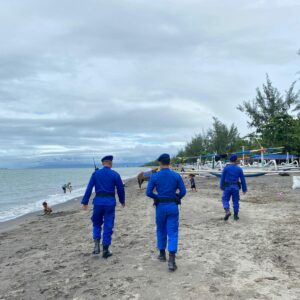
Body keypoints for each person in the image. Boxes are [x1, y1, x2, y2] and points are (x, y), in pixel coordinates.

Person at [146, 153, 186, 272]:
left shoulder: (155, 176)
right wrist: (176, 197)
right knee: (173, 232)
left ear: (160, 163)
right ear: (170, 163)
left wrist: (157, 197)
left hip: (160, 206)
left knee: (160, 229)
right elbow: (183, 192)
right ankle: (172, 260)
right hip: (173, 206)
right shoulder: (176, 175)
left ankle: (162, 254)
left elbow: (148, 192)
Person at [81, 155, 125, 258]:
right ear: (110, 163)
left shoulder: (95, 174)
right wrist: (122, 201)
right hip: (109, 203)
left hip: (98, 202)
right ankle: (105, 250)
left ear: (103, 163)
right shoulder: (115, 174)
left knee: (96, 223)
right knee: (108, 225)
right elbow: (120, 189)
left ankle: (96, 245)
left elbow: (89, 188)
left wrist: (85, 202)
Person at [220, 154, 247, 221]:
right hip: (235, 187)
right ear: (236, 160)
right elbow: (242, 180)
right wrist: (244, 189)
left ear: (230, 160)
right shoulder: (239, 169)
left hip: (227, 187)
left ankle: (227, 211)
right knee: (235, 201)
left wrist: (221, 186)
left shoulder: (226, 168)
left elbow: (222, 179)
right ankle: (235, 216)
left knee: (225, 199)